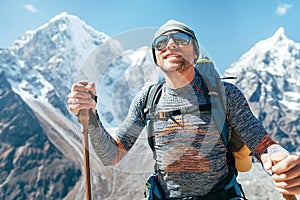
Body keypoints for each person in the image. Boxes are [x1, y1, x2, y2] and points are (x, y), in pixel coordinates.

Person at [68, 20, 300, 199]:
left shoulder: (225, 94)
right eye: (161, 43)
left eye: (180, 38)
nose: (170, 45)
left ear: (196, 53)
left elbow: (263, 145)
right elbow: (113, 154)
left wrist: (280, 162)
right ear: (156, 58)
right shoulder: (147, 99)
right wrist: (91, 118)